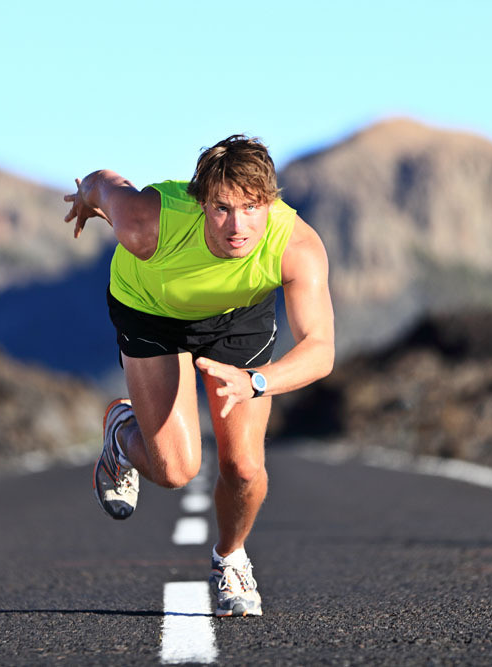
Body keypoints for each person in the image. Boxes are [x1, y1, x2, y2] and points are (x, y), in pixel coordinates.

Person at [63, 135, 334, 618]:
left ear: (270, 203)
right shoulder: (148, 223)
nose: (237, 226)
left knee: (245, 467)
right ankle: (123, 434)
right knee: (174, 471)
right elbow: (107, 187)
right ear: (200, 202)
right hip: (149, 309)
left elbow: (320, 349)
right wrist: (86, 198)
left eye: (251, 208)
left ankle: (231, 559)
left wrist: (257, 382)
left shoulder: (295, 245)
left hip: (239, 317)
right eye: (222, 208)